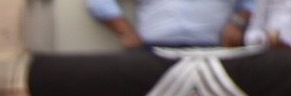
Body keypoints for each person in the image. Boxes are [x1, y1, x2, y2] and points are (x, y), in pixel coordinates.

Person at [87, 0, 255, 47]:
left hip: (214, 49)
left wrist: (238, 22)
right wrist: (126, 32)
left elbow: (257, 2)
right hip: (152, 51)